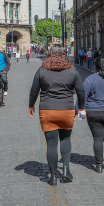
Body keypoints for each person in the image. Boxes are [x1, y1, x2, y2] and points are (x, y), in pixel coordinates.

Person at [29, 44, 86, 186]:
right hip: (66, 110)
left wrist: (31, 105)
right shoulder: (72, 70)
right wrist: (82, 108)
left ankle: (53, 176)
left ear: (49, 54)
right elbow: (81, 92)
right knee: (66, 139)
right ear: (64, 54)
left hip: (47, 110)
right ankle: (66, 169)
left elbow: (34, 91)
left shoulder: (42, 70)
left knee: (51, 143)